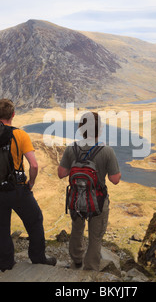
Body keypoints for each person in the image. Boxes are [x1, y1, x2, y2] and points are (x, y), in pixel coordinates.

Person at [0, 99, 56, 271]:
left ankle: (6, 265)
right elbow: (34, 165)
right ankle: (38, 258)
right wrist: (31, 182)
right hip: (17, 188)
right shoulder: (20, 135)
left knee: (3, 227)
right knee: (35, 220)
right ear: (13, 115)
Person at [58, 112, 121, 271]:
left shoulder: (71, 149)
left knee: (76, 230)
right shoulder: (107, 151)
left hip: (76, 199)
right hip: (98, 201)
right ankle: (91, 268)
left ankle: (76, 261)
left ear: (81, 128)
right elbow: (115, 179)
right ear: (99, 129)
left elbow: (61, 173)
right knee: (95, 236)